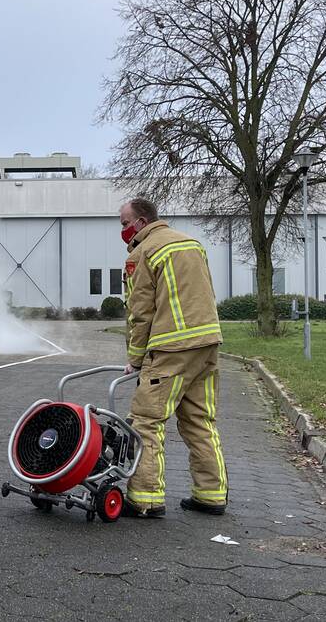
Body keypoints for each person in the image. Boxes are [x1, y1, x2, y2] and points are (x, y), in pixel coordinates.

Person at [119, 197, 227, 518]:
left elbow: (140, 312)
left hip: (170, 348)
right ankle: (211, 495)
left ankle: (145, 499)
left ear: (140, 222)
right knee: (199, 421)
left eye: (125, 224)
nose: (122, 231)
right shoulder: (192, 243)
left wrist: (136, 359)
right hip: (207, 344)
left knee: (147, 422)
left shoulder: (143, 252)